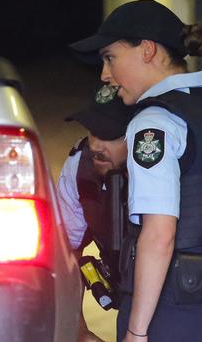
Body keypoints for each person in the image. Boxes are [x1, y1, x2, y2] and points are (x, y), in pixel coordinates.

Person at [69, 0, 202, 342]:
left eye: (110, 58)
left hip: (176, 310)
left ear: (147, 50)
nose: (104, 75)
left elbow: (159, 234)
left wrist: (137, 332)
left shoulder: (155, 122)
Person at [58, 93, 133, 342]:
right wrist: (79, 329)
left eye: (109, 135)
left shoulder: (163, 164)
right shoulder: (80, 166)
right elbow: (68, 251)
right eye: (92, 132)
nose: (96, 145)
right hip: (122, 288)